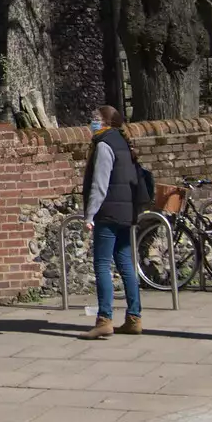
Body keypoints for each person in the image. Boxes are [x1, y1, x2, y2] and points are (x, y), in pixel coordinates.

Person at [81, 105, 143, 340]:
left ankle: (104, 319)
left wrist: (90, 215)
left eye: (96, 118)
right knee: (126, 263)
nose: (92, 122)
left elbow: (100, 183)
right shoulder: (124, 143)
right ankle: (134, 317)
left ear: (106, 122)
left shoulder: (105, 144)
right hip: (126, 212)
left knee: (102, 264)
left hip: (108, 213)